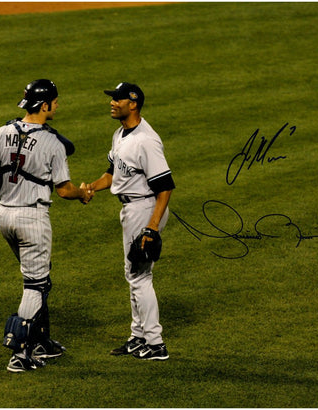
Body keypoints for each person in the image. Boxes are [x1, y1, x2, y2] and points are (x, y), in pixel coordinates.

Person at [0, 79, 93, 372]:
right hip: (32, 219)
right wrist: (84, 193)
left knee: (40, 280)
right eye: (55, 100)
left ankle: (42, 342)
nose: (57, 105)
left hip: (5, 216)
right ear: (44, 105)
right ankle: (20, 354)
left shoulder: (3, 132)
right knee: (35, 285)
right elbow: (64, 190)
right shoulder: (53, 142)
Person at [87, 82, 175, 360]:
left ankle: (155, 343)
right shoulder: (120, 134)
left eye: (117, 99)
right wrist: (89, 188)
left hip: (145, 208)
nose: (112, 102)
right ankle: (138, 336)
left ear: (133, 103)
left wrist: (152, 225)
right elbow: (112, 174)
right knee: (134, 275)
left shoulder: (146, 140)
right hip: (132, 209)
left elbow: (165, 187)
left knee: (140, 276)